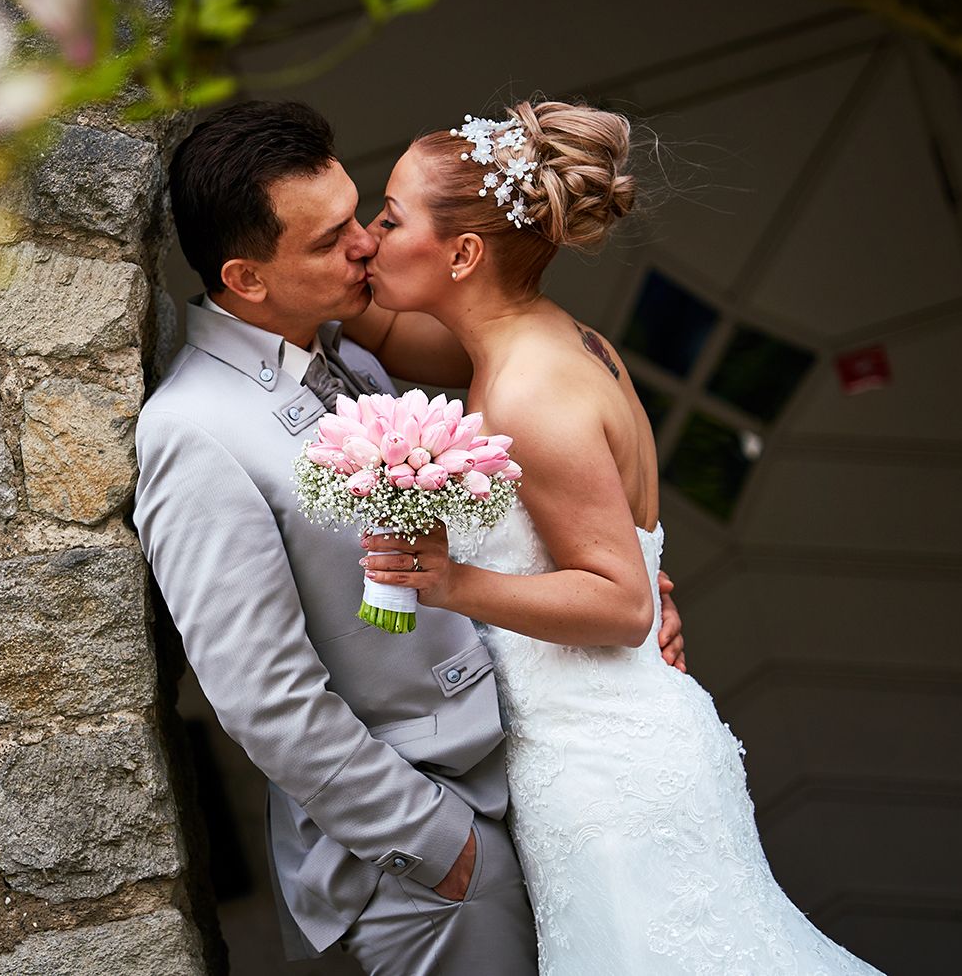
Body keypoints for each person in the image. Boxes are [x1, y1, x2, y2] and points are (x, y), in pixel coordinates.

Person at [133, 99, 684, 974]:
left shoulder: (357, 354)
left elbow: (559, 433)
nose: (363, 243)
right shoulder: (192, 431)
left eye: (360, 214)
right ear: (246, 279)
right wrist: (436, 845)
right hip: (432, 859)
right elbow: (261, 695)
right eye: (327, 240)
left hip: (538, 783)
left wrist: (632, 574)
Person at [355, 100, 883, 974]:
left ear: (460, 253)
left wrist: (449, 583)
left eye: (387, 217)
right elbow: (381, 329)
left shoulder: (531, 391)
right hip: (612, 746)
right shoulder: (531, 343)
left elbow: (624, 602)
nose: (369, 239)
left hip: (606, 774)